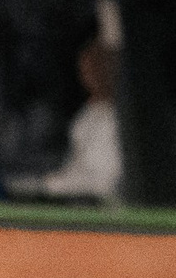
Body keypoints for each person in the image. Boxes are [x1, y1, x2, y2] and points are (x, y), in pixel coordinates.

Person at [7, 37, 121, 205]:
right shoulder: (88, 113)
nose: (89, 77)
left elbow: (103, 183)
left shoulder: (117, 119)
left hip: (101, 209)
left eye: (96, 69)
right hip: (69, 198)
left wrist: (52, 186)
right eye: (85, 71)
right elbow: (73, 167)